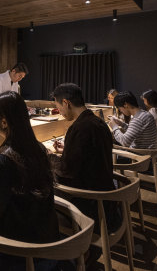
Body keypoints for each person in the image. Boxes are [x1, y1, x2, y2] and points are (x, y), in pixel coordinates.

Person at [0, 91, 59, 271]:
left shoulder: (3, 160)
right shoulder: (37, 148)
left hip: (19, 255)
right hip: (49, 248)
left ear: (4, 122)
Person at [50, 83, 121, 236]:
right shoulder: (98, 122)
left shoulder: (79, 128)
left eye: (59, 107)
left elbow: (66, 171)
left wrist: (48, 156)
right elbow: (89, 155)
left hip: (90, 202)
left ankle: (59, 239)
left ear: (66, 103)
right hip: (106, 196)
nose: (60, 112)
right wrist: (67, 150)